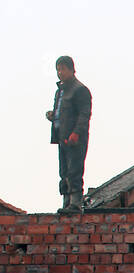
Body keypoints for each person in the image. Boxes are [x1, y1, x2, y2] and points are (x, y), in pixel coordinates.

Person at [45, 56, 92, 214]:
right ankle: (66, 203)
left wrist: (76, 133)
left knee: (74, 170)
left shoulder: (80, 90)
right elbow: (62, 112)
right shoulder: (60, 91)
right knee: (64, 171)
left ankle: (75, 204)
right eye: (58, 69)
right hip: (62, 137)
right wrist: (53, 115)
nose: (60, 72)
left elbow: (84, 114)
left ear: (72, 69)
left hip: (74, 139)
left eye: (63, 69)